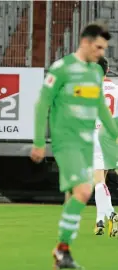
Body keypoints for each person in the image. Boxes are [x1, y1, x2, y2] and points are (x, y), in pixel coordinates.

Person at [30, 22, 118, 269]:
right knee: (83, 191)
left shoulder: (93, 74)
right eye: (98, 47)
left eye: (104, 48)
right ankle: (63, 251)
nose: (101, 52)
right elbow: (42, 105)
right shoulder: (62, 68)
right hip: (66, 141)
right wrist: (38, 142)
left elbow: (101, 107)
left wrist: (115, 134)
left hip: (88, 142)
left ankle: (62, 251)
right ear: (86, 43)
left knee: (75, 196)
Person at [93, 56, 118, 237]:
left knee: (99, 180)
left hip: (95, 135)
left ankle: (109, 215)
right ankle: (100, 222)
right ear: (107, 70)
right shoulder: (116, 89)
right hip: (111, 135)